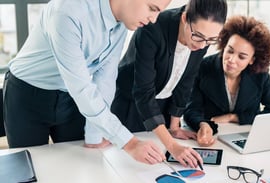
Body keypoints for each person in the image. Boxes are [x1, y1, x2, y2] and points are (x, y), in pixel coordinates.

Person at [3, 0, 172, 165]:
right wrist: (130, 142)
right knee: (30, 165)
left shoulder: (122, 21)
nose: (154, 19)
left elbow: (105, 78)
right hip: (27, 94)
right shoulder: (67, 11)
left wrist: (94, 135)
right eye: (152, 8)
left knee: (80, 161)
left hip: (70, 96)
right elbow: (81, 88)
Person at [110, 0, 227, 168]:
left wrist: (174, 126)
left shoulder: (203, 37)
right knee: (128, 166)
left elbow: (187, 79)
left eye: (210, 40)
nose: (202, 45)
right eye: (198, 36)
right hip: (131, 103)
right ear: (185, 18)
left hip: (162, 105)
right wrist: (172, 145)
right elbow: (143, 92)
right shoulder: (153, 27)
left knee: (159, 167)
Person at [183, 15, 270, 147]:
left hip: (244, 138)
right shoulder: (203, 67)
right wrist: (203, 124)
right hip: (211, 137)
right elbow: (191, 110)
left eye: (241, 57)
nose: (231, 59)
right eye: (229, 51)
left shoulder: (260, 74)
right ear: (224, 45)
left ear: (252, 60)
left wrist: (234, 117)